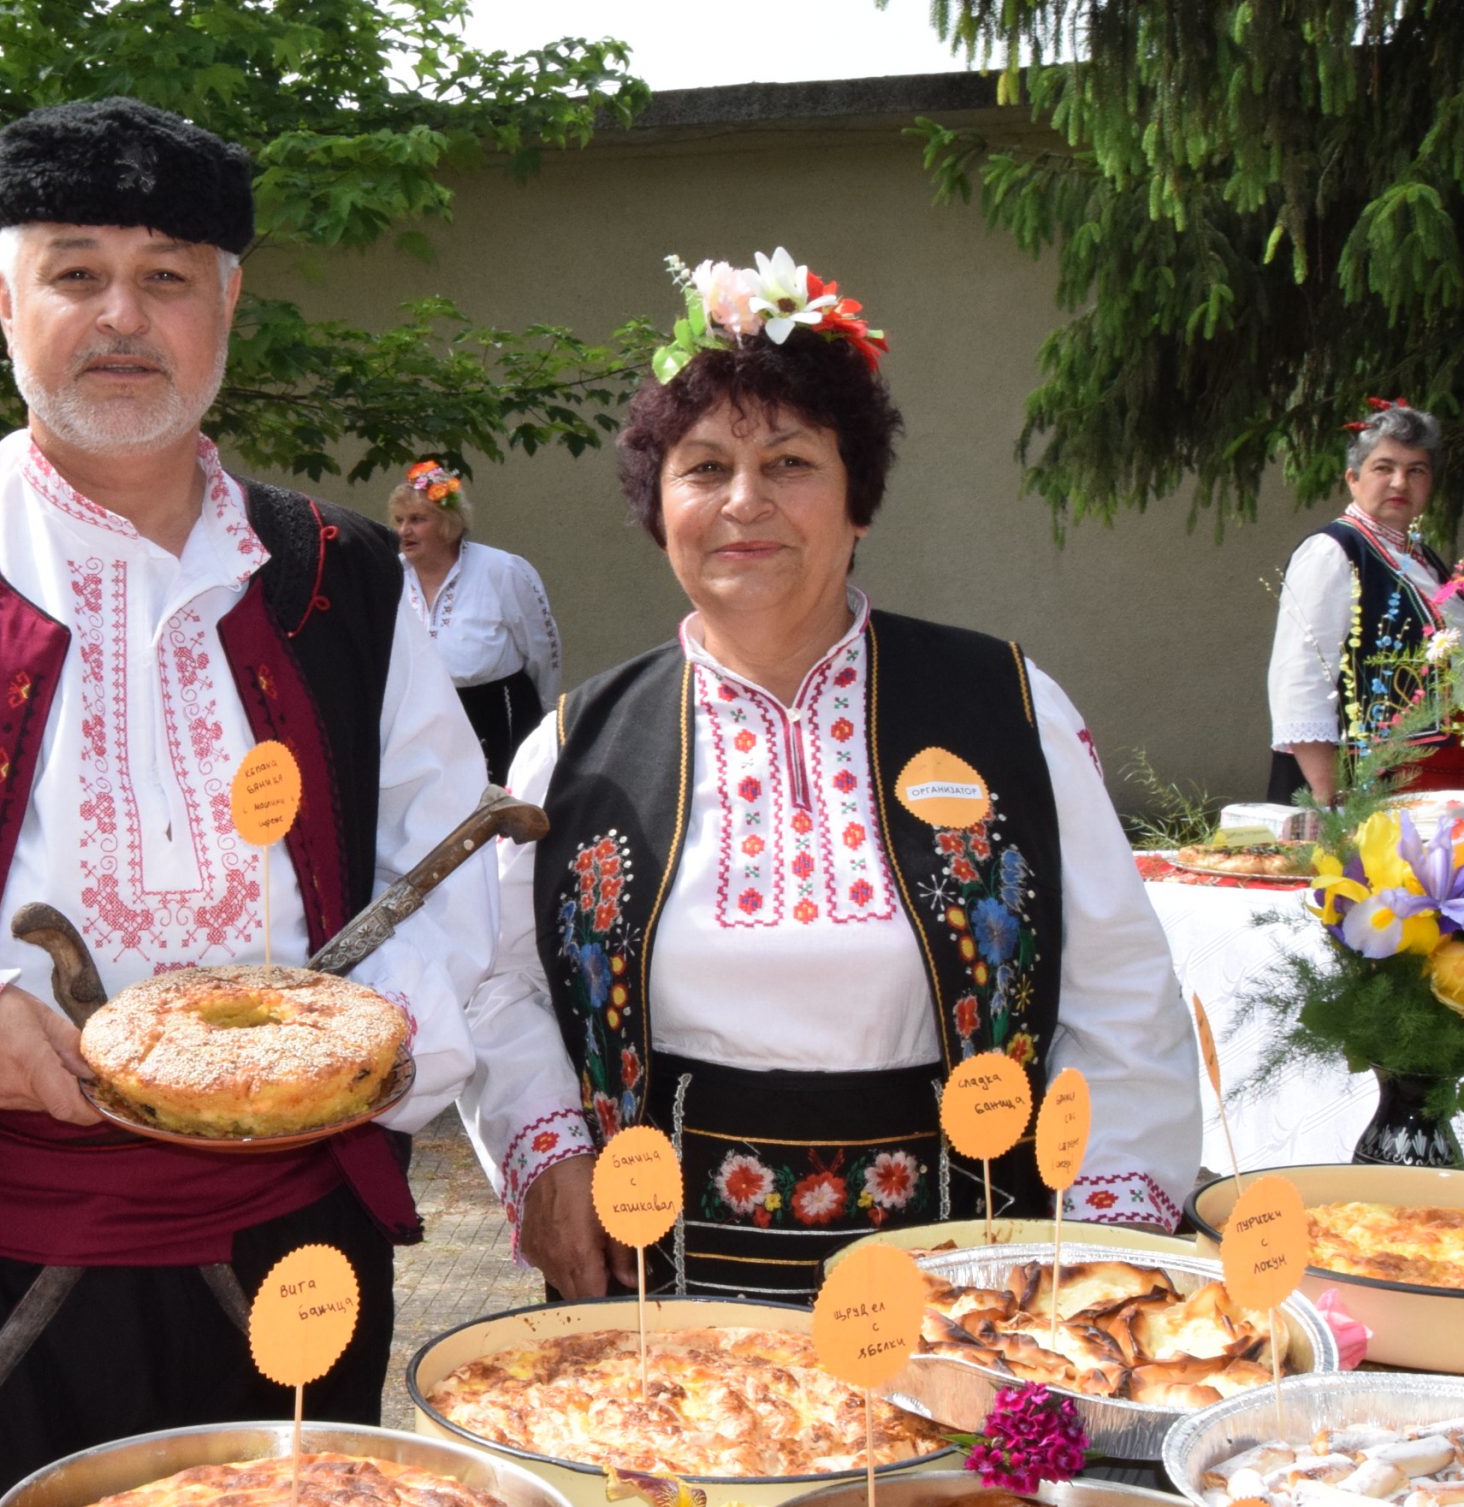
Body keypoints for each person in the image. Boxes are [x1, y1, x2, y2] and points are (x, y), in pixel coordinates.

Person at [0, 97, 495, 1507]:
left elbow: (451, 854)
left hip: (287, 1248)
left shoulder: (342, 577)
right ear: (7, 301)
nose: (123, 313)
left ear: (227, 306)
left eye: (168, 275)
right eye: (75, 271)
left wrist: (365, 1038)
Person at [462, 248, 1201, 1304]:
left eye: (791, 463)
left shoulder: (1006, 706)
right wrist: (545, 1155)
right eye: (705, 467)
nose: (744, 502)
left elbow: (1120, 990)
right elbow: (499, 984)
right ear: (657, 506)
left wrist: (1103, 1248)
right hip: (662, 1305)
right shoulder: (576, 744)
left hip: (974, 1284)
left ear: (859, 499)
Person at [1267, 401, 1459, 805]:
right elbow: (1301, 680)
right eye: (1383, 468)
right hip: (1360, 787)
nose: (1400, 483)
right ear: (1353, 479)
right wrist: (1328, 797)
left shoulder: (1420, 557)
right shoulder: (1332, 551)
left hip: (1428, 785)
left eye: (1416, 470)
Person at [388, 460, 562, 782]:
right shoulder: (391, 576)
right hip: (424, 719)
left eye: (417, 520)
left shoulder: (501, 570)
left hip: (498, 713)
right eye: (400, 521)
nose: (404, 531)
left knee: (497, 807)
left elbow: (541, 646)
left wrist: (544, 713)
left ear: (447, 523)